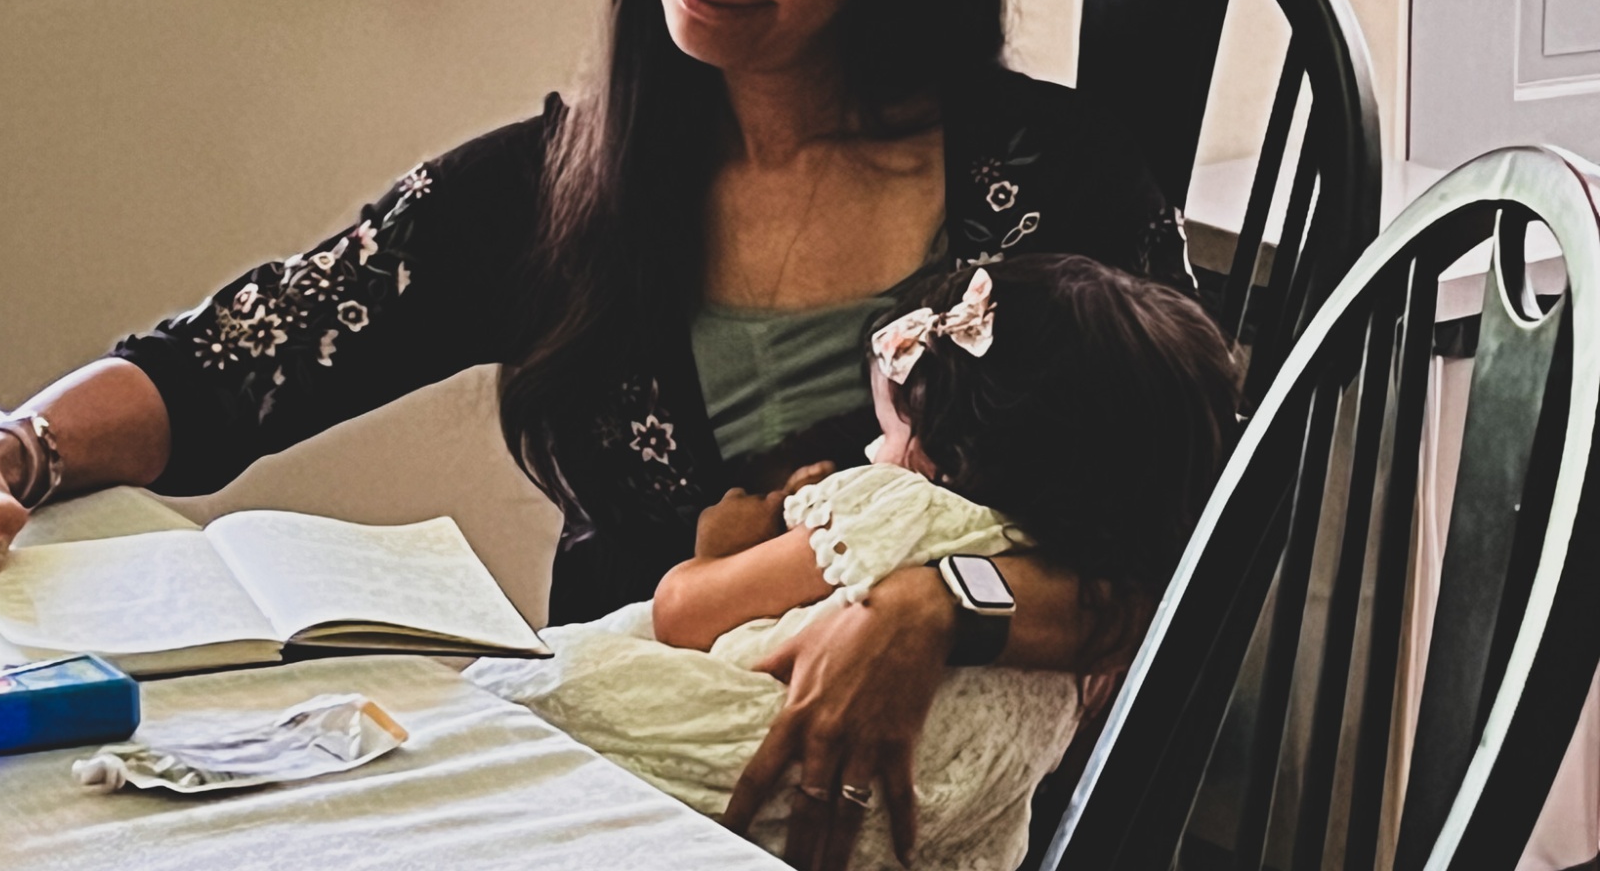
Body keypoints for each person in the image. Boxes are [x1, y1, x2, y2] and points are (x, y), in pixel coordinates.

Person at [0, 0, 1193, 865]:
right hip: (600, 814)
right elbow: (243, 356)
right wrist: (11, 455)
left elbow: (1190, 553)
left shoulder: (1058, 194)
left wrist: (939, 604)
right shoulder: (562, 190)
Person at [463, 255, 1241, 870]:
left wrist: (718, 546)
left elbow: (683, 614)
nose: (870, 454)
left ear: (944, 458)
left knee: (520, 686)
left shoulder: (899, 508)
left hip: (720, 791)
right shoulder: (1084, 628)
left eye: (888, 434)